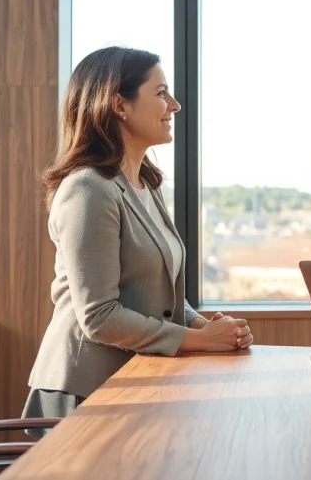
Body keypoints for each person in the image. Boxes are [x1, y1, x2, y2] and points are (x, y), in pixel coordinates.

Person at [23, 47, 252, 422]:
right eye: (161, 93)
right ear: (120, 105)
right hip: (85, 389)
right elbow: (99, 316)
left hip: (133, 379)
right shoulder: (88, 189)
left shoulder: (144, 182)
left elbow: (151, 289)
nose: (174, 105)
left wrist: (202, 325)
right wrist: (197, 341)